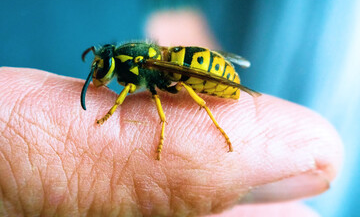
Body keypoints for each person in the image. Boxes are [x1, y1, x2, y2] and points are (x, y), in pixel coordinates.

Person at [0, 11, 343, 216]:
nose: (103, 76)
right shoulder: (139, 60)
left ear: (123, 64)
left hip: (204, 73)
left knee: (184, 89)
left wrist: (158, 127)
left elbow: (148, 91)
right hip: (182, 58)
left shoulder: (145, 71)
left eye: (103, 69)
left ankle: (215, 127)